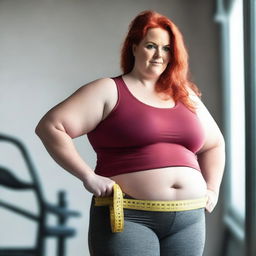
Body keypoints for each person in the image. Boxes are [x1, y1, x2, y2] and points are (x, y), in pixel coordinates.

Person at [35, 10, 225, 256]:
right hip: (129, 216)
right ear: (134, 47)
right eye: (151, 46)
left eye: (167, 48)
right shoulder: (108, 90)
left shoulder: (184, 94)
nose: (159, 55)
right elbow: (51, 127)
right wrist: (87, 176)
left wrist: (212, 189)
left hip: (189, 219)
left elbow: (215, 144)